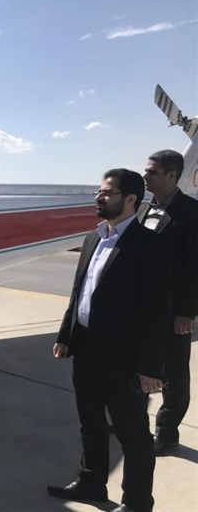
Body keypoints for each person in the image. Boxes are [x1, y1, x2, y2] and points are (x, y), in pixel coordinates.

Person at [47, 169, 171, 512]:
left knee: (133, 434)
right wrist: (66, 335)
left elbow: (157, 311)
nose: (99, 198)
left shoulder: (150, 245)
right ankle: (92, 483)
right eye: (99, 192)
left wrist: (150, 367)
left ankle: (137, 502)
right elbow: (79, 291)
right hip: (86, 348)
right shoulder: (94, 238)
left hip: (124, 357)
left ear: (131, 199)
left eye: (107, 193)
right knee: (90, 422)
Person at [139, 149, 198, 454]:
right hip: (142, 308)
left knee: (173, 372)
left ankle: (167, 430)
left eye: (153, 172)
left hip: (174, 309)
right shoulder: (143, 210)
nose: (145, 176)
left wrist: (187, 312)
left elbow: (194, 267)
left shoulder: (192, 212)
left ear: (173, 175)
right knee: (137, 364)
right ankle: (132, 419)